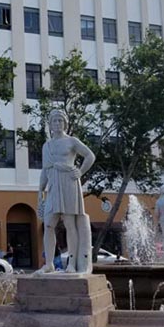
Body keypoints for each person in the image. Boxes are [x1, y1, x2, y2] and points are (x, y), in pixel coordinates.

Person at [37, 109, 95, 274]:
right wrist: (40, 189)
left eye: (60, 121)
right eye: (54, 121)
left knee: (70, 224)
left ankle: (71, 264)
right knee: (48, 224)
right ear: (50, 124)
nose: (57, 124)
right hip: (53, 185)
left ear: (65, 123)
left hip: (69, 182)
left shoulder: (71, 141)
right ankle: (49, 263)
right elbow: (45, 170)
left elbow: (90, 156)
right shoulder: (46, 146)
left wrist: (80, 171)